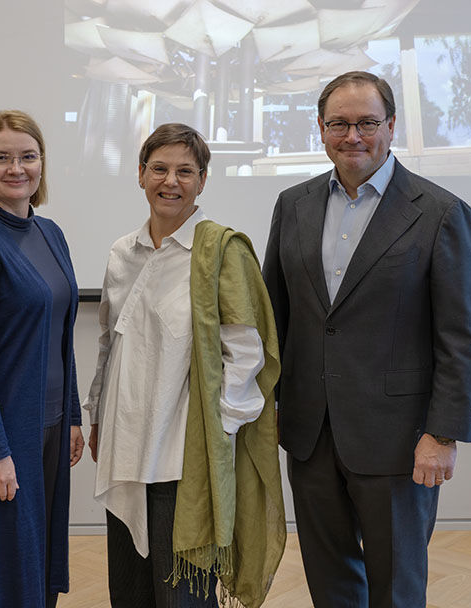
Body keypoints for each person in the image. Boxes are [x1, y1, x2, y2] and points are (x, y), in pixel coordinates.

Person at [262, 71, 471, 608]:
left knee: (395, 585)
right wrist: (265, 407)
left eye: (366, 122)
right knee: (329, 577)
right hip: (311, 432)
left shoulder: (440, 213)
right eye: (338, 123)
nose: (353, 135)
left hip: (399, 440)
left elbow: (461, 336)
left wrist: (443, 434)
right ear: (320, 128)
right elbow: (275, 318)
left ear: (391, 125)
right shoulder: (293, 204)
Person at [85, 123, 285, 608]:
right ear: (140, 175)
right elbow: (110, 344)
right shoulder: (121, 253)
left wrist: (221, 434)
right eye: (159, 169)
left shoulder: (221, 252)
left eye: (185, 171)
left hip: (183, 455)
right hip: (125, 448)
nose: (170, 181)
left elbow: (245, 356)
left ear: (202, 180)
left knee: (182, 597)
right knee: (130, 593)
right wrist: (96, 416)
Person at [0, 110, 85, 608]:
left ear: (42, 163)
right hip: (1, 429)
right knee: (4, 564)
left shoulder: (51, 234)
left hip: (48, 424)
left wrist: (71, 415)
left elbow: (60, 335)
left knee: (38, 560)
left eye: (27, 156)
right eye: (0, 157)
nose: (16, 168)